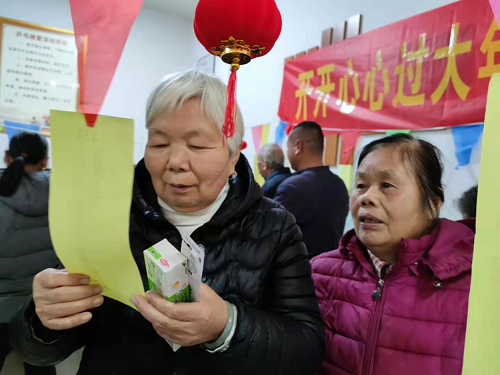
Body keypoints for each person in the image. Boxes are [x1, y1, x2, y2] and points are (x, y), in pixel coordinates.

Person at [11, 70, 324, 375]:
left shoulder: (275, 226)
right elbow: (39, 350)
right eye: (159, 144)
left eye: (197, 146)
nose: (174, 162)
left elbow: (306, 349)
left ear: (233, 157)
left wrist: (228, 325)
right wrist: (43, 319)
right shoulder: (107, 214)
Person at [311, 134, 475, 375]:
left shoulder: (475, 282)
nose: (367, 198)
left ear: (433, 201)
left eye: (387, 185)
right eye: (361, 186)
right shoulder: (319, 271)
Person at [0, 132, 58, 375]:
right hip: (40, 307)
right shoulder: (62, 193)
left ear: (7, 157)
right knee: (40, 368)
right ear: (45, 161)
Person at [274, 121, 349, 259]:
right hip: (329, 270)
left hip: (298, 273)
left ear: (298, 146)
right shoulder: (339, 185)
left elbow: (270, 235)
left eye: (288, 147)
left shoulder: (292, 187)